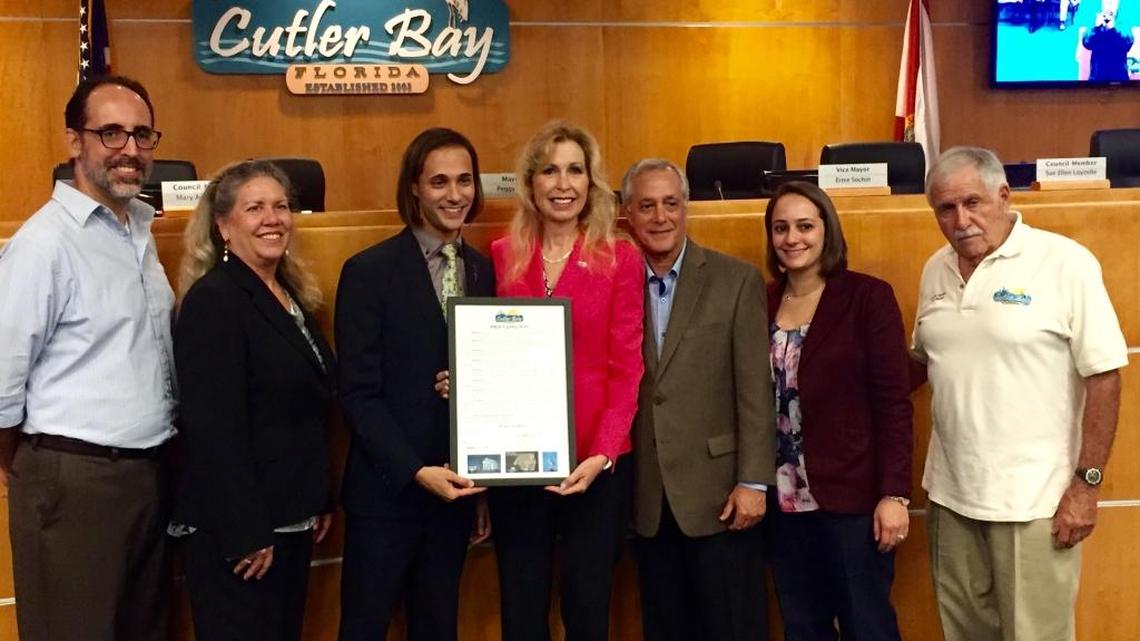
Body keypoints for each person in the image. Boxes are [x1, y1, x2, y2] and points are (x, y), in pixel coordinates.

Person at [913, 146, 1127, 641]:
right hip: (950, 497)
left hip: (1036, 504)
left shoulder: (1064, 263)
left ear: (1003, 196)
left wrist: (1086, 487)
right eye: (946, 208)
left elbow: (1105, 377)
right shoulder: (935, 270)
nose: (961, 220)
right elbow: (925, 362)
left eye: (973, 202)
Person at [0, 75, 175, 641]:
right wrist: (27, 464)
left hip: (148, 475)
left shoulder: (140, 230)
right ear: (75, 142)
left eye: (142, 134)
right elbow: (2, 378)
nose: (130, 148)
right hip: (74, 481)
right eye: (112, 133)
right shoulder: (44, 244)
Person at [335, 128, 495, 641]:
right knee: (364, 628)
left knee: (438, 628)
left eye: (465, 180)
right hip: (387, 496)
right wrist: (414, 470)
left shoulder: (484, 270)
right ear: (414, 190)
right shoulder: (367, 271)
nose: (455, 195)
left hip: (455, 495)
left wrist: (480, 490)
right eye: (440, 182)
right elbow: (357, 393)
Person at [489, 121, 644, 641]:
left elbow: (628, 367)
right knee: (521, 605)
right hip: (520, 463)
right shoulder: (501, 256)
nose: (563, 183)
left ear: (591, 181)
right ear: (530, 183)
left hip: (596, 466)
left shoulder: (620, 257)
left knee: (587, 607)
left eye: (575, 170)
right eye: (550, 170)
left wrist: (600, 455)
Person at [173, 159, 336, 641]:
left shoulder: (290, 296)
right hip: (239, 537)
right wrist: (245, 531)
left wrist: (319, 496)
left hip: (290, 518)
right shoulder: (213, 301)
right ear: (224, 225)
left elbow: (306, 408)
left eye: (281, 206)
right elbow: (213, 429)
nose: (273, 218)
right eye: (255, 208)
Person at [622, 158, 774, 641]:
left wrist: (754, 479)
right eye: (646, 205)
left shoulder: (735, 280)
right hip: (647, 497)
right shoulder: (616, 283)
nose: (660, 217)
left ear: (686, 207)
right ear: (627, 213)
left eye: (671, 203)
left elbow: (755, 388)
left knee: (733, 627)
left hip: (722, 495)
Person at [763, 182, 913, 641]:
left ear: (827, 230)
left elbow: (893, 402)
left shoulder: (867, 297)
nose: (793, 238)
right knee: (803, 626)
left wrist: (894, 494)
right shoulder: (761, 300)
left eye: (805, 226)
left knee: (866, 624)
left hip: (853, 497)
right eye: (781, 228)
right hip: (784, 500)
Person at [1082, 6, 1134, 81]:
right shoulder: (1095, 27)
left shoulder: (1122, 25)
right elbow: (1087, 44)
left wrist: (1113, 29)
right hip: (1098, 77)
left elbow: (1128, 43)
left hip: (1119, 77)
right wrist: (1095, 28)